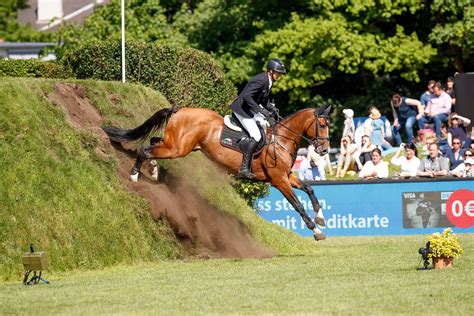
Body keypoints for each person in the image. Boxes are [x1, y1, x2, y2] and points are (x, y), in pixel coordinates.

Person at [230, 58, 286, 179]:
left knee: (265, 128)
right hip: (242, 110)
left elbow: (262, 99)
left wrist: (271, 108)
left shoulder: (269, 81)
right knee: (256, 135)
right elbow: (247, 97)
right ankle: (244, 168)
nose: (280, 76)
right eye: (278, 73)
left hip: (249, 110)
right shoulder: (261, 80)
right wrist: (261, 110)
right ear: (271, 71)